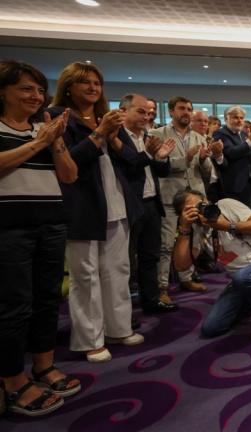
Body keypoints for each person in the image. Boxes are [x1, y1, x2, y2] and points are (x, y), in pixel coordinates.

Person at [48, 61, 146, 363]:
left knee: (118, 271)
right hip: (82, 206)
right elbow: (68, 162)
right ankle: (90, 339)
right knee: (85, 275)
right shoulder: (57, 117)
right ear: (68, 87)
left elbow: (134, 160)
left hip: (117, 203)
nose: (93, 88)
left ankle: (118, 328)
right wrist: (100, 134)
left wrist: (113, 137)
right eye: (85, 82)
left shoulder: (107, 116)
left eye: (97, 83)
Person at [0, 60, 79, 416]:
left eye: (39, 90)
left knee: (47, 299)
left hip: (51, 224)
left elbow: (70, 175)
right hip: (9, 228)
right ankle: (14, 381)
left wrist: (55, 141)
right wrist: (38, 143)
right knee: (14, 305)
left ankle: (43, 366)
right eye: (25, 89)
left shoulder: (43, 129)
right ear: (2, 92)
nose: (36, 96)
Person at [171, 189, 251, 342]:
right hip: (242, 281)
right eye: (193, 210)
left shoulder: (226, 205)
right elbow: (181, 266)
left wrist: (228, 226)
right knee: (211, 328)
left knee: (243, 276)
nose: (201, 211)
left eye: (201, 205)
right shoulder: (195, 228)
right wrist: (184, 229)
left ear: (206, 199)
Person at [117, 94, 179, 315]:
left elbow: (161, 171)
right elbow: (128, 167)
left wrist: (161, 157)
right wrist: (149, 154)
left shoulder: (147, 136)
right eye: (141, 112)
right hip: (129, 205)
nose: (147, 116)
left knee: (150, 256)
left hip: (152, 203)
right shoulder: (116, 137)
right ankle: (122, 313)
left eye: (149, 113)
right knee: (125, 261)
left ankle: (151, 301)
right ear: (123, 111)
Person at [148, 96, 211, 299]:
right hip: (169, 197)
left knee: (193, 240)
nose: (186, 112)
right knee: (166, 245)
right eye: (182, 108)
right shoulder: (156, 134)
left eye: (189, 109)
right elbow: (157, 165)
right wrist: (186, 159)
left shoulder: (200, 137)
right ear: (171, 111)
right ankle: (162, 287)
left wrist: (203, 159)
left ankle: (186, 277)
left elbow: (207, 171)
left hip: (194, 198)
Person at [212, 106, 251, 208]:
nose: (239, 120)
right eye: (235, 117)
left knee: (248, 214)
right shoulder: (220, 133)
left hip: (250, 182)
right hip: (233, 184)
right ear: (226, 119)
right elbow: (231, 152)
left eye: (241, 118)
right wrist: (250, 141)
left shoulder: (244, 134)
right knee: (234, 215)